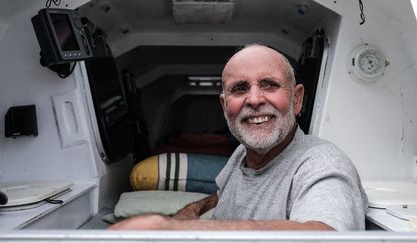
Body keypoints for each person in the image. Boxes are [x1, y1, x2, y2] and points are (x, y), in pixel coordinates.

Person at [109, 44, 368, 231]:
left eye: (269, 84)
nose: (254, 99)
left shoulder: (322, 164)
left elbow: (328, 235)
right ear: (225, 107)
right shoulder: (243, 153)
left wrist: (170, 230)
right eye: (240, 88)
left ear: (297, 99)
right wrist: (195, 209)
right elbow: (223, 196)